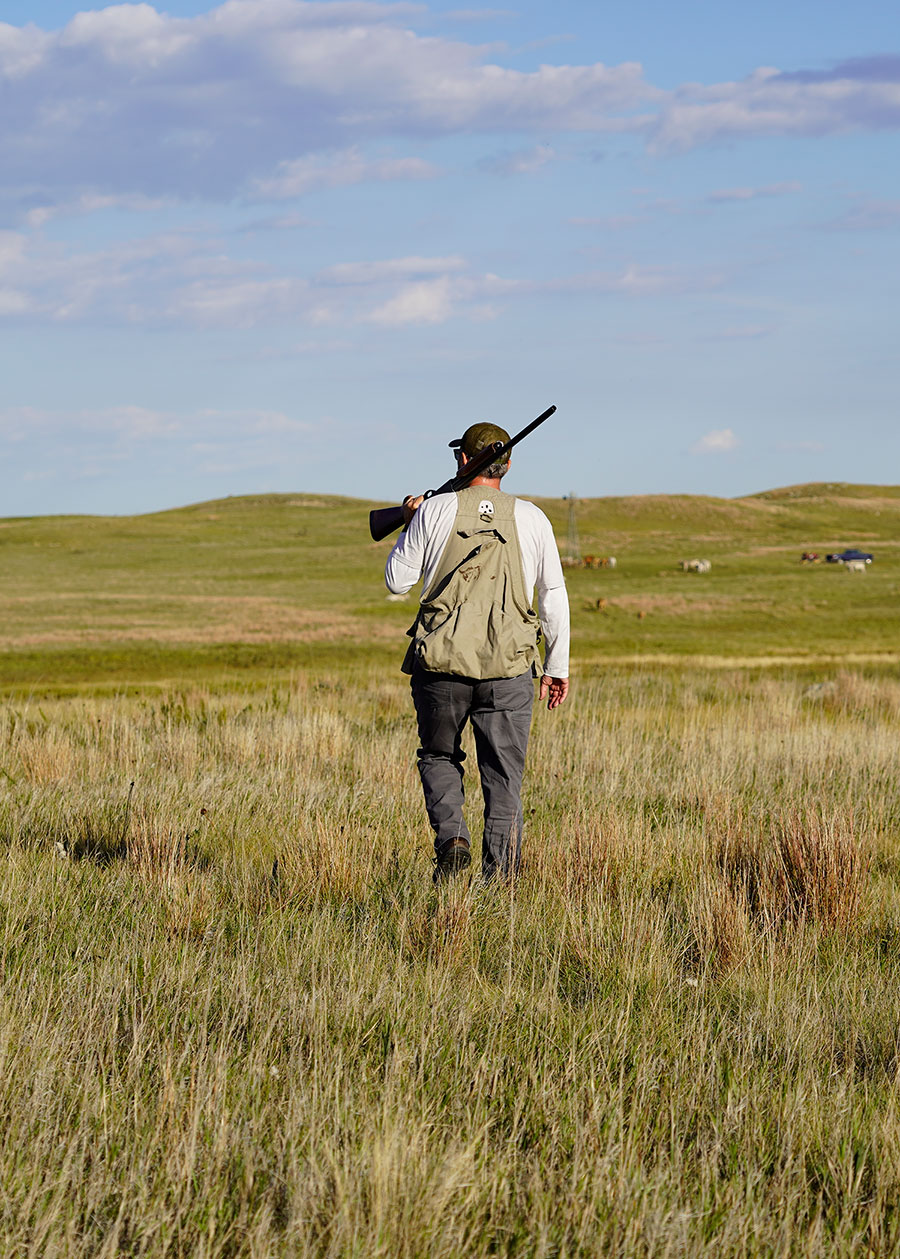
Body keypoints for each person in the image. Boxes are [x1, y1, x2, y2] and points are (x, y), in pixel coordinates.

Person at [384, 421, 570, 884]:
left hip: (441, 666)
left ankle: (452, 840)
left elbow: (397, 581)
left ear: (465, 461)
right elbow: (553, 596)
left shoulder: (434, 511)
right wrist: (556, 665)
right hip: (509, 670)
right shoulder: (533, 517)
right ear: (507, 465)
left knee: (439, 756)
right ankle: (498, 887)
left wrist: (412, 521)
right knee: (504, 780)